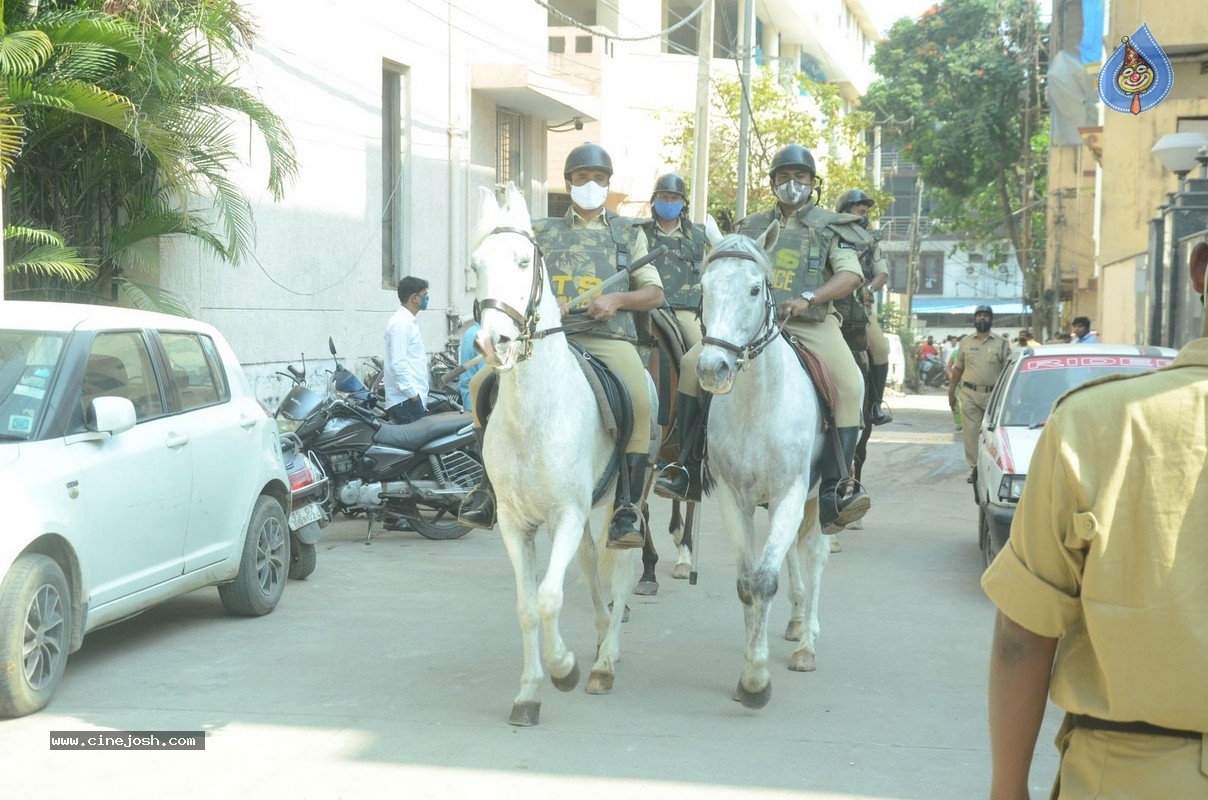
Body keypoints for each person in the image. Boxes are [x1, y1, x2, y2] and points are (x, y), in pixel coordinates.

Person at [983, 241, 1208, 799]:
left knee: (846, 379)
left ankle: (843, 467)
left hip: (1126, 774)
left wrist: (1007, 790)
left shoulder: (1092, 422)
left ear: (1200, 271)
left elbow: (1023, 634)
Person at [658, 143, 875, 534]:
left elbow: (850, 276)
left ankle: (836, 489)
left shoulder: (832, 226)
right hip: (750, 327)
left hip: (811, 323)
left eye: (801, 177)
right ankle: (686, 466)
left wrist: (810, 297)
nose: (792, 184)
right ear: (773, 182)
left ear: (813, 183)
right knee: (692, 364)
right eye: (784, 177)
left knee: (850, 382)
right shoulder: (748, 227)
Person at [459, 142, 665, 550]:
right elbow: (511, 277)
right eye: (583, 177)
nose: (591, 184)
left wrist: (616, 300)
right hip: (546, 340)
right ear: (568, 182)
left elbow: (655, 293)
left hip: (608, 339)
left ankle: (627, 506)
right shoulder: (541, 232)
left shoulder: (629, 233)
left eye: (599, 178)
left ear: (609, 183)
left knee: (640, 399)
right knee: (481, 384)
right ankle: (487, 488)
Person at [831, 188, 893, 425]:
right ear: (846, 211)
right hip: (832, 308)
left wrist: (870, 289)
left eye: (866, 212)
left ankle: (875, 405)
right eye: (860, 210)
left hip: (860, 311)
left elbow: (882, 274)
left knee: (881, 347)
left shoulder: (871, 242)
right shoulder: (831, 235)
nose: (865, 215)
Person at [947, 305, 1010, 484]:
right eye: (979, 316)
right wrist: (951, 391)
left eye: (986, 316)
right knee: (972, 433)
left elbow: (1007, 371)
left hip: (994, 397)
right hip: (969, 394)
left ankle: (995, 467)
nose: (982, 319)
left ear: (991, 319)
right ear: (975, 319)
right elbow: (957, 369)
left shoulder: (1001, 343)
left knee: (993, 433)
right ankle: (975, 469)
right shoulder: (966, 342)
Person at [383, 276, 430, 425]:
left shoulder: (408, 322)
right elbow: (398, 363)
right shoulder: (401, 324)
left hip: (410, 400)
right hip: (406, 401)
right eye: (425, 295)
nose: (427, 299)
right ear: (414, 298)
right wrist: (412, 394)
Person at [457, 322, 482, 411]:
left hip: (470, 399)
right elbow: (487, 378)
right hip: (479, 402)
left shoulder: (470, 332)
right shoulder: (482, 335)